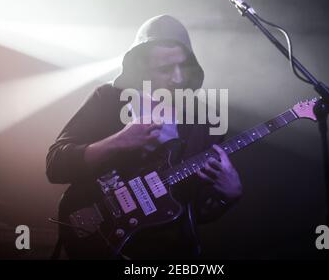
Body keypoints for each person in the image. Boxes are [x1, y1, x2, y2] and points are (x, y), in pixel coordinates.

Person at [46, 15, 243, 259]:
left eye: (184, 66)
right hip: (104, 240)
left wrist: (228, 197)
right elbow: (55, 165)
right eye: (165, 69)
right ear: (141, 68)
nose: (178, 78)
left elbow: (193, 209)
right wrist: (119, 141)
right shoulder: (108, 99)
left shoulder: (204, 119)